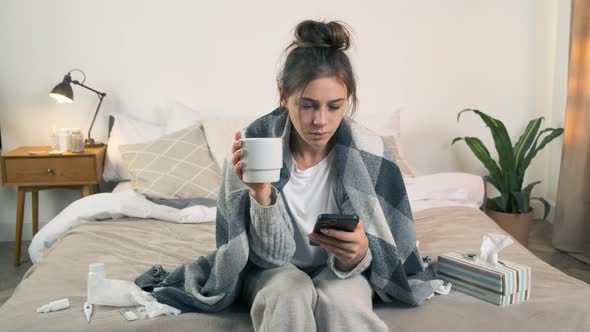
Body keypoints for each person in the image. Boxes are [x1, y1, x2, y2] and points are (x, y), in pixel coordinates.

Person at [231, 19, 389, 332]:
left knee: (343, 301)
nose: (321, 121)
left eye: (334, 106)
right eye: (307, 105)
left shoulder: (367, 151)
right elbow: (264, 258)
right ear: (283, 95)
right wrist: (260, 193)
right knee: (290, 292)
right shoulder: (254, 145)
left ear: (348, 101)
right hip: (273, 270)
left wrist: (356, 256)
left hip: (338, 271)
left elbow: (378, 251)